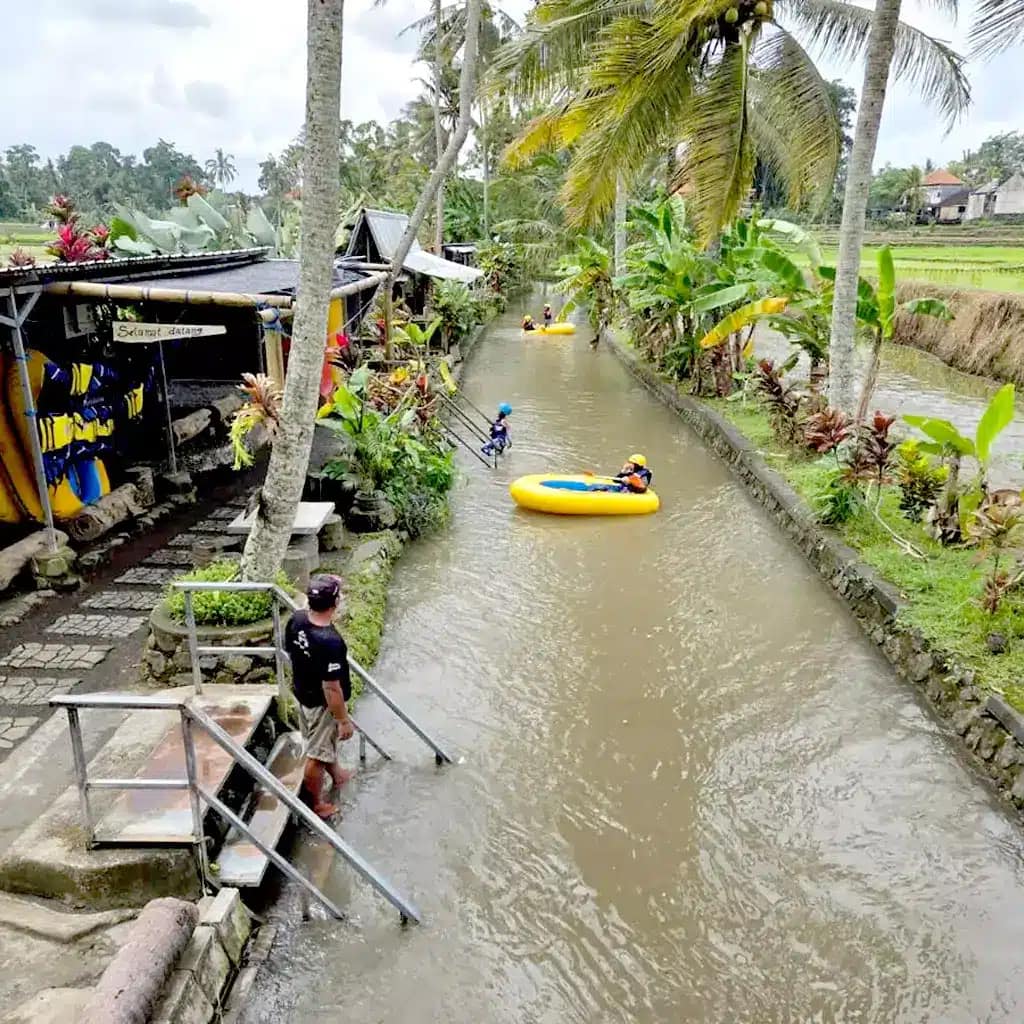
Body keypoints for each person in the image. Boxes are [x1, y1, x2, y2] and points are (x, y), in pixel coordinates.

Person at [284, 575, 355, 818]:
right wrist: (343, 720)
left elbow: (289, 649)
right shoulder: (330, 642)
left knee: (323, 745)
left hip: (302, 692)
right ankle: (315, 804)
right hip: (323, 703)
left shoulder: (297, 619)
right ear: (334, 603)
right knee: (316, 754)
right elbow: (332, 689)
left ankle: (337, 775)